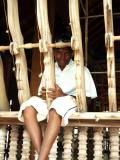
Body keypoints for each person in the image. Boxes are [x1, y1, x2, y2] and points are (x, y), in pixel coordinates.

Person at [18, 38, 97, 160]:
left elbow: (89, 99)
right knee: (27, 107)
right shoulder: (49, 69)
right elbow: (41, 93)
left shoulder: (82, 69)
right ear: (54, 53)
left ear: (71, 53)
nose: (62, 56)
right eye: (59, 52)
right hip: (50, 101)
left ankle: (41, 158)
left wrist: (63, 95)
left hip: (70, 100)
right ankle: (43, 157)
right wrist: (43, 95)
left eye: (66, 53)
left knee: (56, 108)